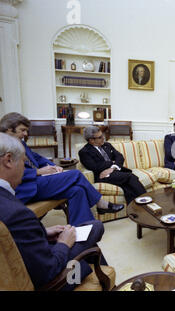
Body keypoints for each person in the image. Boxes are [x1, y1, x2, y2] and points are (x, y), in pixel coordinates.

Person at [0, 132, 107, 290]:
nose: (25, 169)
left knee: (81, 205)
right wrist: (64, 243)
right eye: (23, 162)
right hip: (55, 282)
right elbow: (48, 270)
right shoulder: (17, 213)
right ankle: (100, 278)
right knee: (95, 228)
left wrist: (43, 232)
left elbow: (17, 238)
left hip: (28, 258)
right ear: (8, 160)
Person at [0, 113, 124, 226]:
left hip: (37, 182)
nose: (26, 134)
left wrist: (52, 166)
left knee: (77, 190)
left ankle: (83, 230)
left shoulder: (19, 142)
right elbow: (4, 174)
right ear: (9, 128)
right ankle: (100, 203)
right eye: (22, 130)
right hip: (25, 188)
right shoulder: (3, 145)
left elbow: (36, 157)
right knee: (75, 174)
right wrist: (36, 172)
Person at [78, 126, 146, 205]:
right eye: (100, 137)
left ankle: (134, 209)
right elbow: (95, 167)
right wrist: (112, 163)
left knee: (127, 187)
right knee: (131, 177)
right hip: (103, 176)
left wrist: (113, 167)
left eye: (102, 135)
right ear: (91, 140)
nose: (103, 138)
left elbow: (120, 157)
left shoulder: (107, 145)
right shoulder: (84, 152)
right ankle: (147, 201)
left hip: (114, 172)